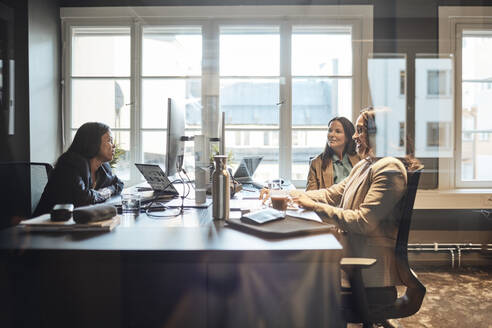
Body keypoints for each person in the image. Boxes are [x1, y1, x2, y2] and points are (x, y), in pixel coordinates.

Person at [290, 107, 421, 288]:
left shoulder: (389, 168)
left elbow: (363, 222)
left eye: (360, 130)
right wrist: (289, 194)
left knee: (291, 273)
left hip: (364, 266)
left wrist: (313, 206)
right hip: (350, 254)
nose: (354, 136)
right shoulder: (366, 164)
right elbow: (331, 194)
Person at [33, 122, 124, 216]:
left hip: (77, 223)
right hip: (48, 224)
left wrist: (106, 191)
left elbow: (119, 184)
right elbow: (83, 199)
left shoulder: (103, 167)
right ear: (93, 142)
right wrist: (103, 193)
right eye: (110, 140)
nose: (114, 146)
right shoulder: (69, 163)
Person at [306, 116, 360, 190]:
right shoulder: (316, 163)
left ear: (348, 137)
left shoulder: (361, 159)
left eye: (337, 131)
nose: (331, 135)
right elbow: (310, 195)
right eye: (330, 130)